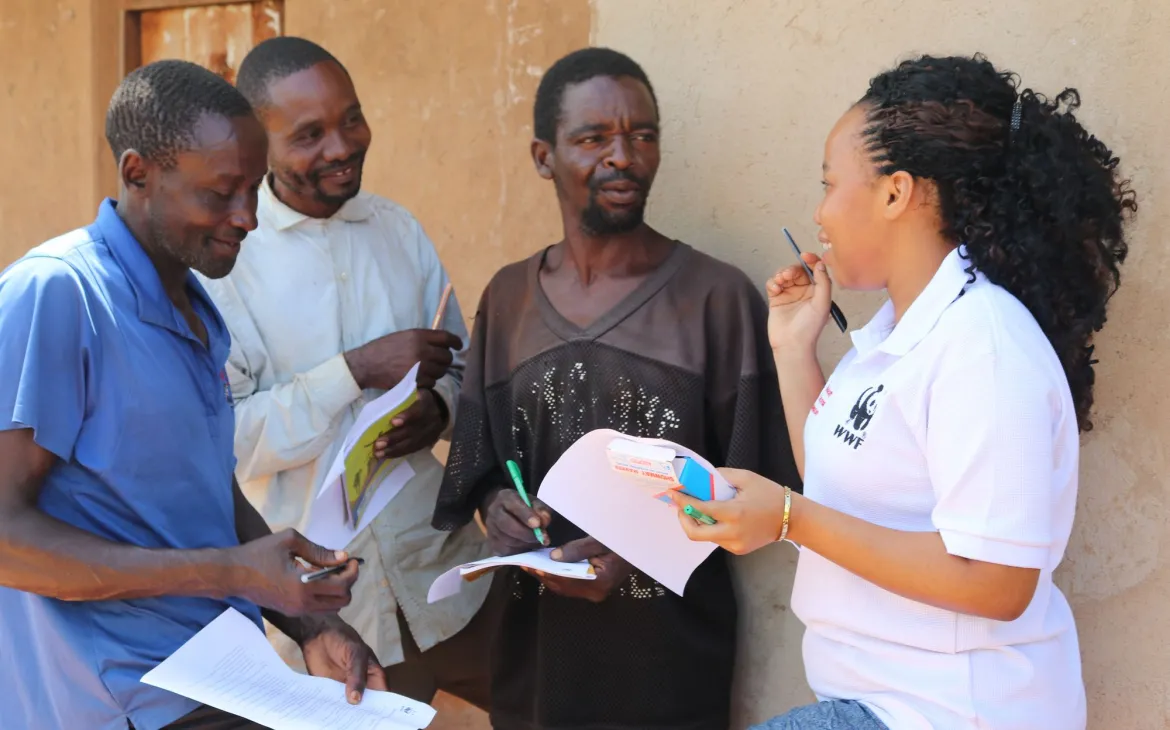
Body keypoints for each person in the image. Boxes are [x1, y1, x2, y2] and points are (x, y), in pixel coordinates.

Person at [671, 54, 1136, 730]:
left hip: (950, 713)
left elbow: (998, 581)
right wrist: (793, 348)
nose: (819, 210)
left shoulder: (985, 347)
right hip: (878, 705)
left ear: (895, 193)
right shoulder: (904, 331)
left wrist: (788, 519)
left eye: (830, 183)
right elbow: (839, 481)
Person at [0, 60, 385, 730]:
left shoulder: (196, 310)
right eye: (220, 193)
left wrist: (310, 620)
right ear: (137, 173)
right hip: (112, 700)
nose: (247, 217)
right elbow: (5, 539)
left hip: (218, 676)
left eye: (253, 190)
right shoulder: (58, 295)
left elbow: (207, 494)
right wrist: (231, 572)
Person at [433, 47, 800, 730]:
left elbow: (760, 496)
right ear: (544, 156)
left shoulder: (715, 299)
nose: (622, 156)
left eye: (642, 135)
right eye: (594, 138)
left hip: (669, 670)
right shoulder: (508, 299)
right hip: (534, 663)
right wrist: (497, 506)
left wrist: (636, 544)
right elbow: (480, 466)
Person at [197, 37, 495, 708]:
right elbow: (226, 436)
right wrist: (355, 370)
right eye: (309, 135)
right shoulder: (224, 266)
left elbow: (462, 367)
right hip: (332, 611)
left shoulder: (398, 231)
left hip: (443, 573)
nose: (341, 145)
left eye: (351, 118)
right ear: (256, 145)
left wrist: (438, 412)